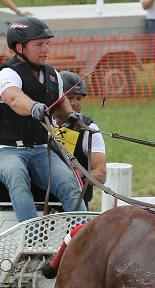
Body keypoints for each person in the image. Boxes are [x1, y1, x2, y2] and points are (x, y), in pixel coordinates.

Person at [0, 16, 92, 222]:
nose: (46, 50)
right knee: (17, 177)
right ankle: (30, 244)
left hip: (40, 148)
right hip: (2, 149)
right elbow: (14, 98)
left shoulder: (52, 75)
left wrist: (70, 115)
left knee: (70, 182)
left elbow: (59, 103)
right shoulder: (6, 75)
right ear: (19, 47)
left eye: (47, 44)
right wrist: (33, 107)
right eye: (39, 44)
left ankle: (86, 240)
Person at [53, 71, 107, 208]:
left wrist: (78, 173)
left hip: (76, 204)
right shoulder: (40, 122)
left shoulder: (90, 130)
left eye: (79, 98)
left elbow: (100, 175)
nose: (74, 103)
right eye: (69, 98)